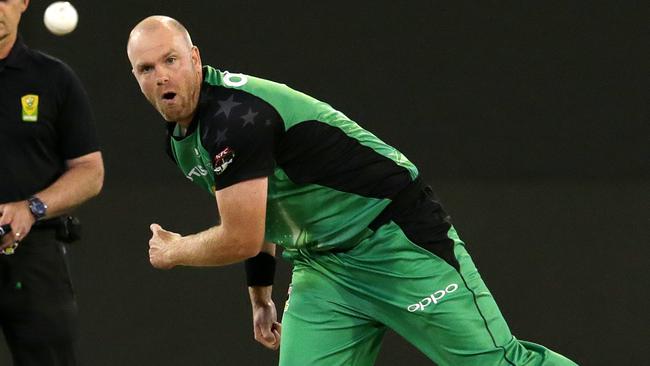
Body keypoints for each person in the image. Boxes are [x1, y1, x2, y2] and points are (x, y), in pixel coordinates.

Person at [127, 15, 577, 366]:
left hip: (394, 240)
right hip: (324, 271)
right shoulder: (184, 144)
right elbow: (259, 213)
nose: (162, 76)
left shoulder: (233, 116)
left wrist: (176, 250)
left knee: (495, 361)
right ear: (137, 78)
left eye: (171, 60)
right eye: (147, 68)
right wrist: (261, 297)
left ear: (195, 58)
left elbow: (240, 236)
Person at [0, 0, 104, 365]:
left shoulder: (53, 79)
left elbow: (90, 171)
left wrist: (32, 208)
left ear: (24, 2)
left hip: (34, 260)